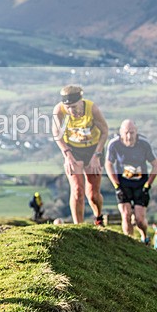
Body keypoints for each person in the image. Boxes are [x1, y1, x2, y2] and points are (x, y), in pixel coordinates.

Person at [52, 85, 109, 225]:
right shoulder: (59, 110)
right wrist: (67, 155)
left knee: (93, 194)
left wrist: (97, 155)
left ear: (81, 101)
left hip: (93, 149)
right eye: (68, 107)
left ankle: (98, 217)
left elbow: (104, 132)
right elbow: (57, 134)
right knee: (77, 190)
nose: (71, 111)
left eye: (74, 106)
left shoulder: (92, 109)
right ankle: (79, 226)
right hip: (73, 150)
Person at [104, 119, 157, 244]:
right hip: (123, 184)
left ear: (136, 132)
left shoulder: (144, 144)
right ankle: (129, 243)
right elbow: (108, 164)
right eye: (126, 133)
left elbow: (156, 165)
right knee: (126, 215)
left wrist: (148, 184)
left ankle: (144, 237)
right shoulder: (114, 144)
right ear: (121, 132)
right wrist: (116, 184)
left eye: (132, 133)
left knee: (139, 219)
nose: (129, 136)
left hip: (141, 184)